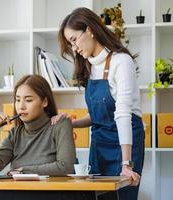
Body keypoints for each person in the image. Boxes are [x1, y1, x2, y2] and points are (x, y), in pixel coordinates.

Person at [55, 7, 145, 199]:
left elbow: (122, 114)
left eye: (74, 40)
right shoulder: (90, 66)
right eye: (70, 44)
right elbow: (98, 116)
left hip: (125, 145)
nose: (74, 48)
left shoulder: (121, 62)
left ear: (90, 30)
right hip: (99, 145)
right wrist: (72, 123)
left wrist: (126, 164)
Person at [0, 74, 76, 176]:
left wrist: (23, 171)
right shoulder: (14, 134)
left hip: (48, 191)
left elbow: (66, 167)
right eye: (18, 100)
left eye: (28, 100)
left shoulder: (60, 125)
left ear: (44, 102)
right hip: (17, 191)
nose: (21, 106)